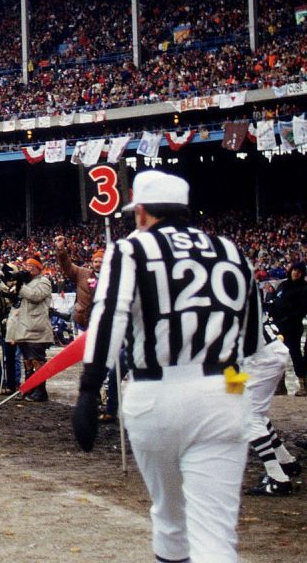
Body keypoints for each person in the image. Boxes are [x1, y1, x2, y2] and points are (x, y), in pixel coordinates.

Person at [73, 170, 264, 562]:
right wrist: (231, 390)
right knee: (216, 534)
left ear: (141, 212)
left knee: (170, 520)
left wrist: (89, 389)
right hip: (222, 388)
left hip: (155, 391)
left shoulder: (131, 249)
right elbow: (250, 342)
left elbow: (111, 316)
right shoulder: (231, 250)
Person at [241, 318, 302, 495]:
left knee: (248, 416)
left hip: (262, 360)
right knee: (254, 414)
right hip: (269, 353)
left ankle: (278, 479)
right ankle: (286, 463)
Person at [7, 258, 54, 402]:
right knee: (27, 360)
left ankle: (41, 391)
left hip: (36, 327)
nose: (30, 268)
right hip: (24, 327)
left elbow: (36, 296)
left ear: (40, 268)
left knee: (37, 361)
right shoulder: (27, 283)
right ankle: (29, 388)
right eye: (28, 265)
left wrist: (20, 286)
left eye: (33, 266)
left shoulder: (44, 281)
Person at [265, 261, 307, 396]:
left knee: (295, 354)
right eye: (294, 270)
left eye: (298, 271)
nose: (295, 273)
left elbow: (302, 309)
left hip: (293, 326)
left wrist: (290, 317)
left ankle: (302, 385)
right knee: (278, 355)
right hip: (278, 326)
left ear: (302, 274)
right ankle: (281, 385)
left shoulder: (304, 288)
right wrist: (271, 310)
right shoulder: (283, 285)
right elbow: (277, 301)